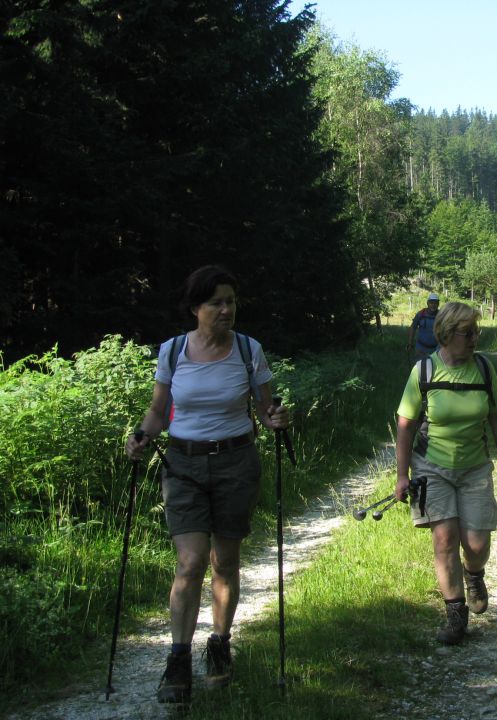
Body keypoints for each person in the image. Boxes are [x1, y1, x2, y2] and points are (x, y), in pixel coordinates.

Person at [125, 265, 289, 704]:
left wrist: (277, 418)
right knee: (190, 562)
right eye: (216, 302)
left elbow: (267, 405)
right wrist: (141, 436)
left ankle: (219, 645)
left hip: (237, 462)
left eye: (231, 301)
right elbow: (159, 411)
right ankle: (178, 659)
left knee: (225, 562)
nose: (225, 310)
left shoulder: (248, 350)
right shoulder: (174, 350)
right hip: (183, 464)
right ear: (195, 307)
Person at [394, 301, 497, 645]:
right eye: (468, 333)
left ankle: (474, 573)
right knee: (444, 539)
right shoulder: (424, 372)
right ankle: (455, 616)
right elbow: (405, 425)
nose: (474, 338)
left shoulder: (483, 369)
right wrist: (401, 475)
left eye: (476, 332)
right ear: (447, 334)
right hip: (432, 468)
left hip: (475, 466)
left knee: (476, 543)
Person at [407, 292, 440, 361]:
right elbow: (413, 327)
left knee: (435, 370)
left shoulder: (441, 315)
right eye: (431, 303)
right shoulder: (421, 314)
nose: (433, 305)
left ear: (438, 304)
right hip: (421, 348)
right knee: (420, 369)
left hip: (436, 349)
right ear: (427, 303)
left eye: (435, 303)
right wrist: (410, 343)